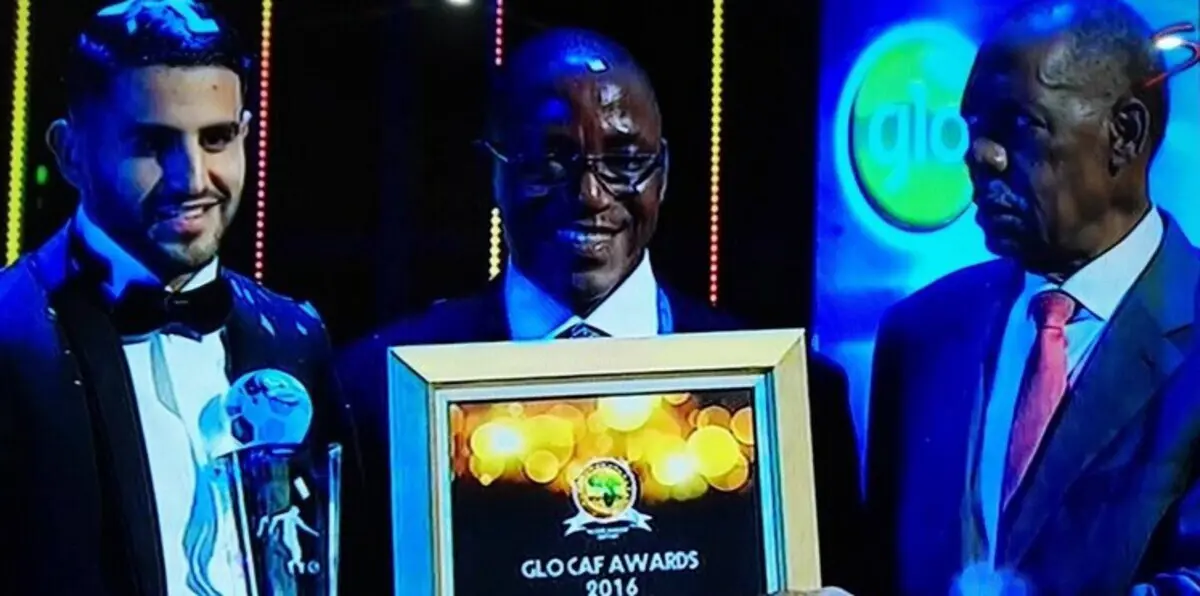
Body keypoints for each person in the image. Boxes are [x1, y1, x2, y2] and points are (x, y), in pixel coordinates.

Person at [338, 28, 861, 594]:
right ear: (492, 171)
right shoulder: (376, 397)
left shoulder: (795, 403)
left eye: (625, 160)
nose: (590, 193)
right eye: (550, 160)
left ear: (663, 172)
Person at [0, 1, 359, 593]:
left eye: (216, 139)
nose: (191, 179)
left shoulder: (294, 337)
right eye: (152, 144)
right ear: (70, 153)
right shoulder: (9, 342)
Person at [864, 0, 1200, 593]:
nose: (980, 156)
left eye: (1019, 125)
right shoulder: (919, 336)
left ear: (1124, 134)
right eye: (973, 127)